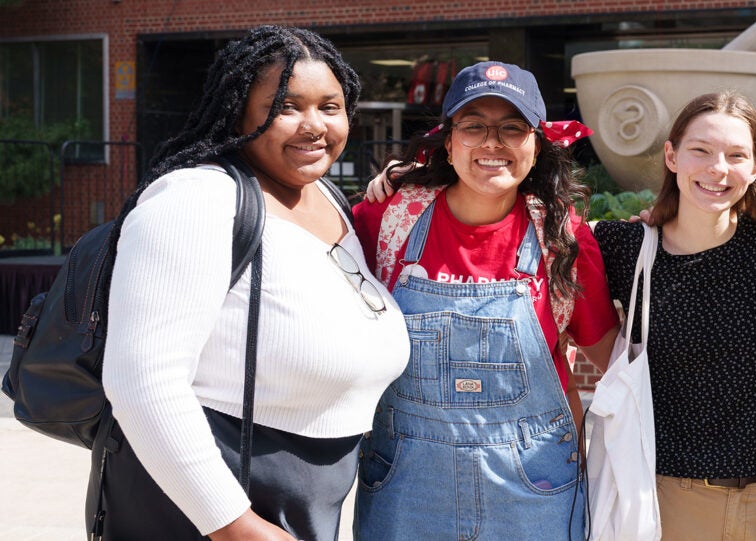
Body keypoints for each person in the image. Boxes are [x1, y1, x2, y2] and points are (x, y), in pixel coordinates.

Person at [101, 25, 410, 540]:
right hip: (211, 503)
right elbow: (142, 381)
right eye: (286, 107)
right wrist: (233, 524)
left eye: (329, 107)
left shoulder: (327, 198)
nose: (314, 126)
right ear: (238, 112)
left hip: (307, 498)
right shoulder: (197, 199)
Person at [351, 61, 619, 539]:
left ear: (537, 146)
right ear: (448, 141)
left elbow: (614, 362)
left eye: (512, 129)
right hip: (406, 483)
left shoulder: (562, 238)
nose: (492, 144)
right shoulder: (389, 216)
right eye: (473, 127)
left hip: (534, 484)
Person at [593, 90, 756, 540]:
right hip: (667, 497)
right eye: (700, 151)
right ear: (671, 156)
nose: (717, 168)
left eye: (736, 155)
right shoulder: (627, 248)